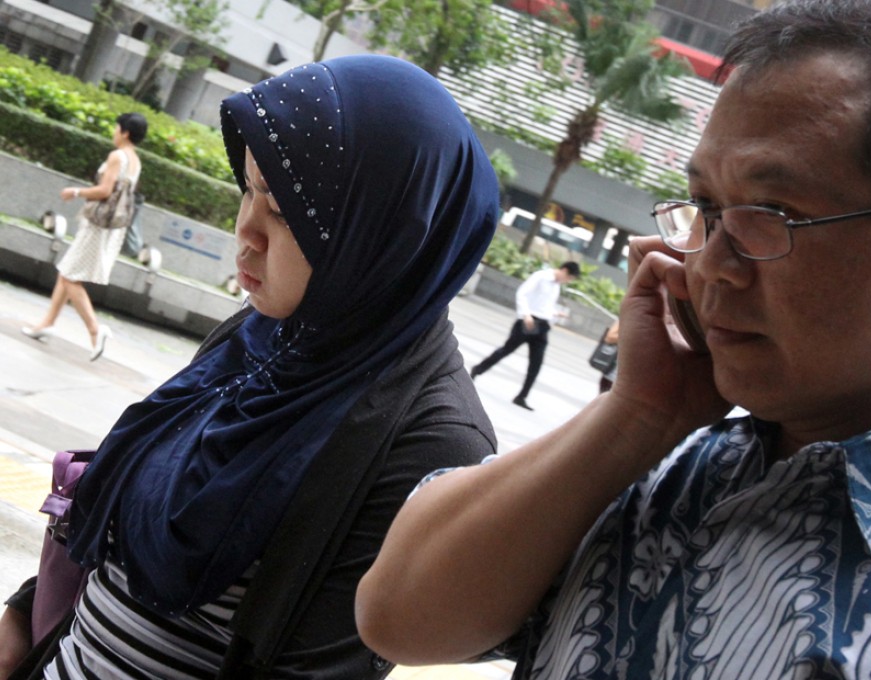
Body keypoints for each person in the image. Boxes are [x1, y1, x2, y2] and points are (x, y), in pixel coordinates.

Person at [355, 1, 871, 677]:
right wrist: (636, 417)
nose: (708, 266)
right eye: (704, 207)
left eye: (775, 215)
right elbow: (398, 618)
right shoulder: (669, 460)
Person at [0, 54, 499, 678]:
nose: (246, 232)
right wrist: (22, 616)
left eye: (285, 212)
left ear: (388, 233)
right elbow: (125, 484)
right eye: (249, 189)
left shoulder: (431, 442)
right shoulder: (262, 334)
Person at [21, 113, 147, 362]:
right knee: (67, 271)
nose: (114, 131)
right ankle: (47, 323)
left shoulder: (117, 156)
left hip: (97, 225)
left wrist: (75, 191)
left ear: (125, 132)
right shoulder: (135, 160)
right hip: (113, 227)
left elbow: (104, 190)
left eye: (116, 126)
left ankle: (95, 330)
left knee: (70, 277)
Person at [470, 261, 580, 410]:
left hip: (542, 326)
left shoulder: (556, 286)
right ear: (564, 270)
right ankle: (478, 369)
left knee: (536, 362)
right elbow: (522, 293)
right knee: (506, 350)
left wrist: (554, 313)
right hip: (527, 322)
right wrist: (525, 315)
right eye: (570, 278)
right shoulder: (541, 276)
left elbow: (543, 305)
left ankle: (522, 396)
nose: (568, 281)